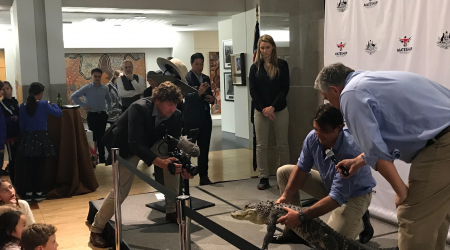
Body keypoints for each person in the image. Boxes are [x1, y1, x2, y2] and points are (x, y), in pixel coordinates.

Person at [314, 62, 450, 250]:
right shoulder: (371, 81)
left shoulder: (350, 94)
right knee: (435, 213)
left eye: (326, 98)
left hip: (443, 145)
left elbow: (376, 152)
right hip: (444, 138)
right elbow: (386, 138)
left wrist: (401, 192)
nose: (330, 104)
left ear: (335, 90)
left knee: (413, 216)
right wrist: (358, 161)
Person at [89, 82, 193, 248]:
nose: (173, 109)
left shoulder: (176, 114)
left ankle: (172, 210)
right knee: (121, 189)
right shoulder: (139, 108)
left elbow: (174, 145)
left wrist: (183, 166)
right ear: (157, 100)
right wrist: (161, 163)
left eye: (175, 104)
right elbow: (135, 143)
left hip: (150, 142)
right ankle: (97, 228)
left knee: (173, 166)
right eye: (169, 104)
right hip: (125, 146)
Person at [275, 104, 375, 244]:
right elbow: (301, 168)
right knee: (284, 172)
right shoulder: (313, 138)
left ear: (339, 128)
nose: (318, 134)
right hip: (331, 186)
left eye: (324, 131)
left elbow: (336, 197)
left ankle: (361, 219)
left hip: (354, 196)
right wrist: (286, 195)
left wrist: (301, 216)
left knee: (331, 243)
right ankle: (293, 230)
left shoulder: (351, 150)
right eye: (316, 129)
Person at [249, 34, 290, 190]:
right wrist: (264, 109)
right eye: (262, 48)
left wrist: (272, 107)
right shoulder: (255, 67)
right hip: (260, 111)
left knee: (283, 145)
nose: (264, 50)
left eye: (267, 47)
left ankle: (283, 177)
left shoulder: (282, 65)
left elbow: (284, 89)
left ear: (273, 47)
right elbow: (253, 91)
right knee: (261, 145)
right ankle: (263, 177)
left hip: (279, 109)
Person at [18, 82, 62, 202]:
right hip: (41, 137)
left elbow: (21, 125)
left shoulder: (23, 105)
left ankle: (28, 192)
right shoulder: (43, 104)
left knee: (28, 167)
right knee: (40, 167)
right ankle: (38, 192)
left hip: (28, 138)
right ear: (41, 93)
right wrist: (55, 105)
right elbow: (59, 113)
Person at [183, 53, 214, 185]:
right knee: (188, 149)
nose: (199, 66)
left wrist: (212, 99)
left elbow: (211, 95)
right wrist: (198, 93)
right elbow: (186, 97)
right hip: (191, 119)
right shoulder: (186, 78)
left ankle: (204, 176)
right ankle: (184, 177)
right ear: (191, 64)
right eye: (197, 64)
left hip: (206, 118)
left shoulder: (206, 77)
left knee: (204, 149)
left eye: (201, 64)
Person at [71, 68, 112, 163]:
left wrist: (108, 110)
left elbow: (109, 101)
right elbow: (74, 96)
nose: (97, 78)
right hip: (92, 115)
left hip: (102, 115)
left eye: (99, 76)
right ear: (91, 77)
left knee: (102, 137)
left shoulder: (104, 88)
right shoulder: (87, 88)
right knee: (93, 137)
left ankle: (102, 158)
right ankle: (93, 157)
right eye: (95, 76)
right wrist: (82, 105)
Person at [1, 82, 20, 181]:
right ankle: (14, 179)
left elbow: (19, 113)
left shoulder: (15, 101)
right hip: (10, 134)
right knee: (12, 158)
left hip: (18, 132)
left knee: (19, 157)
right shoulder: (2, 103)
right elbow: (8, 116)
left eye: (7, 88)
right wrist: (12, 118)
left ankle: (20, 179)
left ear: (11, 89)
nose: (5, 91)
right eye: (3, 89)